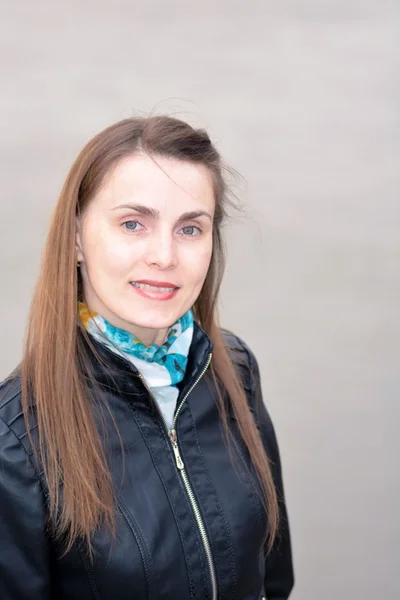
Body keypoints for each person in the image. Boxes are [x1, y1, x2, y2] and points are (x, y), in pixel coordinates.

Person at [0, 116, 294, 599]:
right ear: (76, 237)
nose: (164, 255)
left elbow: (274, 578)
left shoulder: (234, 371)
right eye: (133, 223)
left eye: (190, 229)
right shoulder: (18, 438)